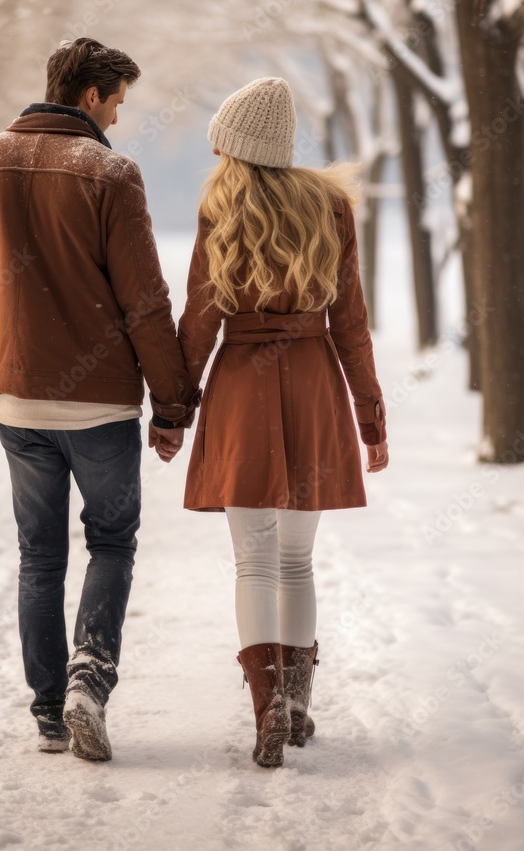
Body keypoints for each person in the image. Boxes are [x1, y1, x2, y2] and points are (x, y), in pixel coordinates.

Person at [0, 37, 199, 760]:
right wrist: (172, 405)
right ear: (90, 96)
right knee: (110, 542)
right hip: (103, 403)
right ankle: (90, 678)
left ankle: (49, 711)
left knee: (39, 556)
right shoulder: (110, 172)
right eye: (116, 103)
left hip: (16, 400)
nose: (117, 117)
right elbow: (144, 301)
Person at [171, 77, 389, 768]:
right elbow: (350, 322)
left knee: (253, 563)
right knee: (296, 562)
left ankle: (265, 708)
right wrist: (370, 419)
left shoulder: (218, 206)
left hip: (240, 386)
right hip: (314, 381)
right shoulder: (330, 206)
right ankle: (296, 705)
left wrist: (173, 409)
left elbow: (199, 319)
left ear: (238, 145)